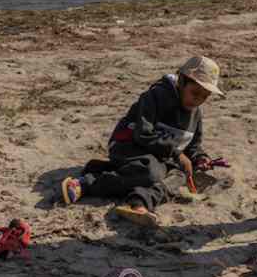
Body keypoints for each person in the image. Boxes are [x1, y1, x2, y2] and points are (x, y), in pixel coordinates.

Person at [59, 56, 222, 228]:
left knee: (178, 177)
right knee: (151, 172)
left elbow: (192, 146)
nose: (198, 100)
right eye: (195, 93)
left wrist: (200, 158)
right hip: (129, 146)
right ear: (181, 82)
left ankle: (139, 203)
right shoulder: (155, 97)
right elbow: (142, 134)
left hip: (160, 158)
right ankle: (87, 183)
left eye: (204, 97)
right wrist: (176, 153)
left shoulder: (196, 113)